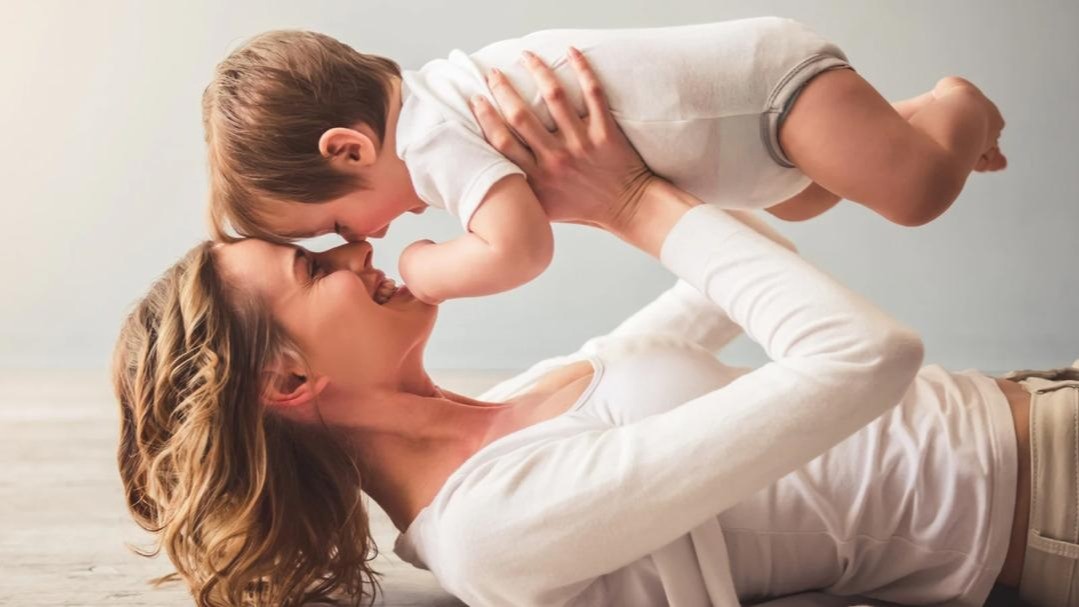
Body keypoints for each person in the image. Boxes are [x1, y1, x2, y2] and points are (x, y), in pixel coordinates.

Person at [114, 54, 1070, 607]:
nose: (363, 251)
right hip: (1046, 507)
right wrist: (628, 203)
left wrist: (565, 171)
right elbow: (865, 357)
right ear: (287, 384)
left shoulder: (507, 400)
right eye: (316, 269)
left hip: (1036, 401)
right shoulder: (490, 522)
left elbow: (748, 264)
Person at [200, 17, 1006, 304]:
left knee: (912, 194)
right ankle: (894, 121)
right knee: (808, 196)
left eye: (339, 220)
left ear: (349, 148)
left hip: (767, 94)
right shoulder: (439, 107)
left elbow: (519, 249)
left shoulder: (429, 135)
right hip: (754, 147)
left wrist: (425, 267)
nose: (365, 238)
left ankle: (952, 105)